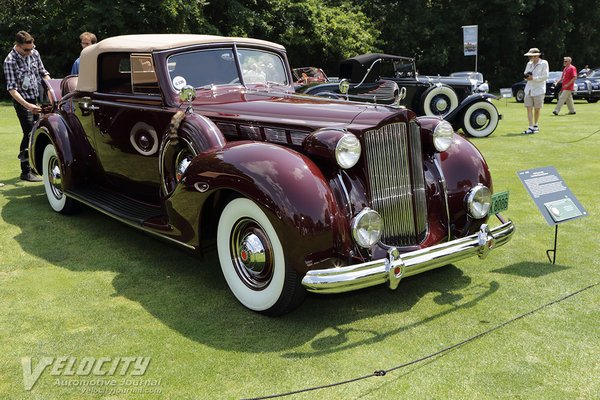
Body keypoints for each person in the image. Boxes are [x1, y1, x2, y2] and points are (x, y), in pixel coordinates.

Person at [3, 31, 51, 182]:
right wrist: (27, 105)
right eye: (26, 49)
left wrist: (51, 90)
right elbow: (12, 89)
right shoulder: (10, 61)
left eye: (32, 48)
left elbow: (44, 73)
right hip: (22, 101)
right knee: (29, 132)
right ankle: (26, 171)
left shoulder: (34, 53)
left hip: (37, 97)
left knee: (41, 131)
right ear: (17, 46)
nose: (30, 52)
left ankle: (38, 166)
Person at [521, 48, 549, 135]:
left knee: (537, 109)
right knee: (529, 108)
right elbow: (525, 73)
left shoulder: (544, 63)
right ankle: (530, 127)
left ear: (537, 56)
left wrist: (534, 78)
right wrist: (527, 76)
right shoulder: (529, 64)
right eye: (529, 56)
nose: (529, 58)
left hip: (539, 90)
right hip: (529, 89)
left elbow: (545, 76)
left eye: (531, 56)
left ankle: (536, 125)